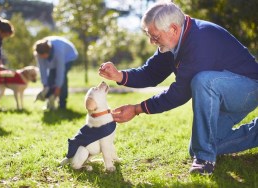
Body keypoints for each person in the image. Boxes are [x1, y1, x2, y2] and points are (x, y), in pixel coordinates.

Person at [99, 0, 258, 175]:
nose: (152, 42)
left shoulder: (200, 40)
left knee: (203, 81)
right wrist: (119, 75)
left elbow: (180, 93)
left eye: (155, 36)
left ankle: (205, 160)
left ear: (173, 29)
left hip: (248, 89)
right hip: (222, 93)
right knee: (199, 145)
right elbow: (152, 73)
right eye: (149, 35)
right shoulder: (173, 41)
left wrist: (137, 109)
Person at [33, 36, 78, 109]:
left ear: (48, 51)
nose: (42, 58)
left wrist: (58, 87)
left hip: (68, 57)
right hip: (55, 59)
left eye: (43, 56)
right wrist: (45, 85)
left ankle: (62, 104)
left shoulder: (58, 51)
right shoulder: (38, 54)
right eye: (41, 56)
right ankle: (50, 104)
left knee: (62, 80)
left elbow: (60, 70)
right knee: (50, 79)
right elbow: (42, 70)